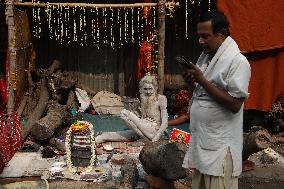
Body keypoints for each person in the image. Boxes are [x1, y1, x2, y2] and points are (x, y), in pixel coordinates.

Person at [182, 11, 251, 189]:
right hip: (203, 140)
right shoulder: (206, 57)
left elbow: (235, 105)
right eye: (199, 36)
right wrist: (192, 84)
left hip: (220, 145)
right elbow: (201, 96)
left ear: (221, 34)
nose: (200, 41)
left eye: (205, 36)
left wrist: (202, 80)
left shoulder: (238, 62)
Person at [95, 74, 168, 143]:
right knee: (107, 136)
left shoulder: (161, 99)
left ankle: (147, 138)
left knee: (125, 113)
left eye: (150, 89)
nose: (148, 92)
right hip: (141, 131)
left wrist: (158, 135)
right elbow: (142, 118)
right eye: (145, 89)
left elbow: (165, 122)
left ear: (155, 88)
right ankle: (144, 139)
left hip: (153, 131)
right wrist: (135, 111)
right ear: (141, 89)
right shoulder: (144, 98)